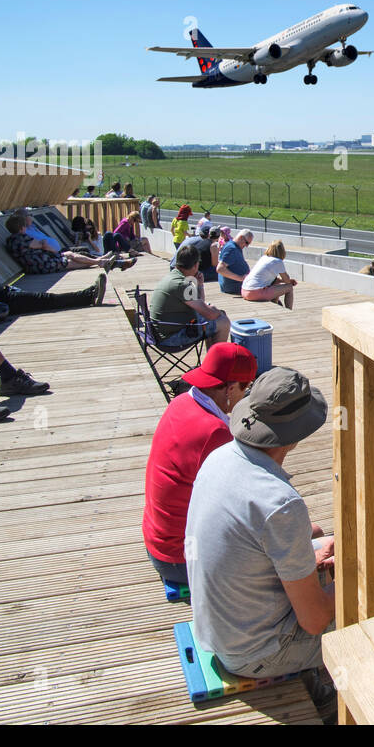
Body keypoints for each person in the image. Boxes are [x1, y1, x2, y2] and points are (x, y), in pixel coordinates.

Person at [185, 366, 336, 715]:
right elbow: (313, 620)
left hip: (218, 629)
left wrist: (311, 557)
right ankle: (335, 701)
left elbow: (249, 552)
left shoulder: (220, 457)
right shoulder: (279, 502)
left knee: (319, 549)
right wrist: (355, 582)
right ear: (297, 433)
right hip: (255, 654)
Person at [143, 343, 258, 588]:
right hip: (180, 559)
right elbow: (237, 505)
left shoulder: (182, 402)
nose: (245, 395)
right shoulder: (214, 432)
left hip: (157, 539)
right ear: (229, 388)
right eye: (245, 388)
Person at [0, 240, 106, 315]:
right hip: (0, 301)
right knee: (46, 299)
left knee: (45, 299)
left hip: (4, 295)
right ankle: (89, 295)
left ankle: (88, 295)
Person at [150, 243, 230, 347]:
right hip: (171, 338)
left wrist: (200, 285)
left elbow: (200, 307)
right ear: (196, 265)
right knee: (223, 322)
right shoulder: (183, 285)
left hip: (162, 332)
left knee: (216, 317)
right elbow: (210, 314)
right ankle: (217, 362)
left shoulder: (173, 276)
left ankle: (212, 359)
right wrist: (215, 310)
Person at [4, 214, 126, 273]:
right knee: (70, 260)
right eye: (25, 226)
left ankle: (100, 261)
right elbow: (43, 245)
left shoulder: (14, 240)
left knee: (69, 255)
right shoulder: (20, 239)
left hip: (42, 262)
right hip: (42, 265)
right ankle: (100, 261)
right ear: (21, 227)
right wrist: (44, 244)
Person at [241, 240, 297, 308]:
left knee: (276, 284)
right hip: (255, 293)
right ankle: (289, 310)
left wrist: (281, 281)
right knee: (289, 287)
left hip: (244, 291)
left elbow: (269, 279)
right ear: (282, 252)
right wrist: (288, 281)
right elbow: (287, 281)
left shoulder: (263, 258)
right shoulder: (277, 261)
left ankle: (275, 306)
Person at [216, 230, 253, 296]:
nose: (247, 246)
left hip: (234, 285)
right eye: (247, 243)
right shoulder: (232, 249)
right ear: (241, 238)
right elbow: (220, 269)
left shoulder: (233, 246)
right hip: (233, 286)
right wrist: (241, 278)